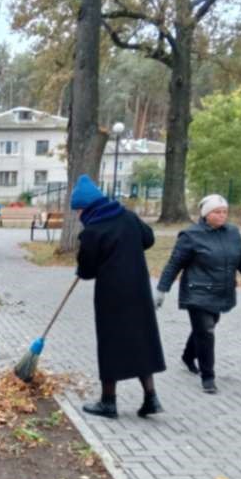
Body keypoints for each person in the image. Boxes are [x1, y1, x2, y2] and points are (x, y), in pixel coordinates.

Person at [72, 174, 166, 419]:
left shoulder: (92, 231)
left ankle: (108, 402)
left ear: (86, 208)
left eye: (77, 210)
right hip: (139, 291)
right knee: (141, 341)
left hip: (111, 297)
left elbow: (87, 271)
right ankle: (151, 397)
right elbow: (149, 238)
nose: (77, 216)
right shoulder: (128, 216)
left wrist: (82, 266)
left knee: (110, 345)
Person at [155, 194, 241, 394]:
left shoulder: (232, 232)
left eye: (224, 212)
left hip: (222, 292)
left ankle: (188, 356)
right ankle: (208, 377)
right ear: (206, 214)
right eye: (217, 212)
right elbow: (174, 264)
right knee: (206, 331)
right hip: (197, 292)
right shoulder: (191, 235)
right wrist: (162, 289)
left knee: (205, 328)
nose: (222, 215)